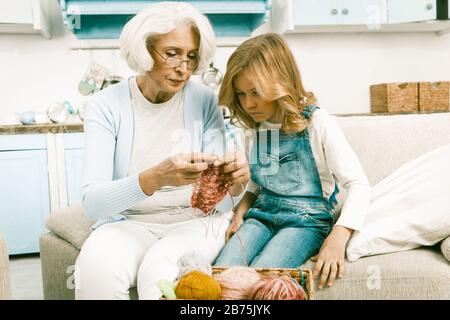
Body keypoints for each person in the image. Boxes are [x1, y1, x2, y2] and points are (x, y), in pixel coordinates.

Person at [75, 2, 249, 300]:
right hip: (128, 224)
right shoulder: (105, 106)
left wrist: (238, 178)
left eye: (191, 57)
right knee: (94, 269)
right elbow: (93, 203)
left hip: (196, 223)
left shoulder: (204, 100)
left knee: (158, 268)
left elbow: (223, 195)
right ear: (145, 49)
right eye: (171, 54)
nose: (183, 68)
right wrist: (157, 177)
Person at [214, 33, 371, 290]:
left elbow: (359, 184)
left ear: (280, 82)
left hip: (306, 221)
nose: (248, 103)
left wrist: (340, 235)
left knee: (256, 282)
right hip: (261, 215)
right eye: (241, 94)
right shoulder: (256, 127)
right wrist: (241, 209)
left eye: (256, 92)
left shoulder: (317, 122)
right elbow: (257, 184)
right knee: (222, 276)